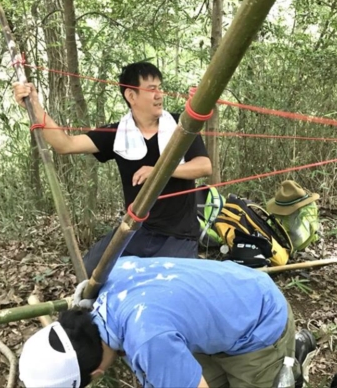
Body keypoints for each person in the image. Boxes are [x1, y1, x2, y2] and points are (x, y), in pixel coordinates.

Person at [13, 62, 212, 276]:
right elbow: (65, 144)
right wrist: (33, 105)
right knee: (91, 271)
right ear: (131, 96)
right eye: (151, 89)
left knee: (167, 285)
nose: (159, 94)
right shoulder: (119, 133)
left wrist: (158, 170)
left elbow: (204, 166)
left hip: (179, 234)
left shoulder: (180, 126)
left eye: (160, 88)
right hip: (137, 229)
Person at [18, 256, 310, 388]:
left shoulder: (147, 340)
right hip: (233, 295)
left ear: (95, 375)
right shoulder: (108, 275)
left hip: (259, 320)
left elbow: (153, 343)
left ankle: (291, 355)